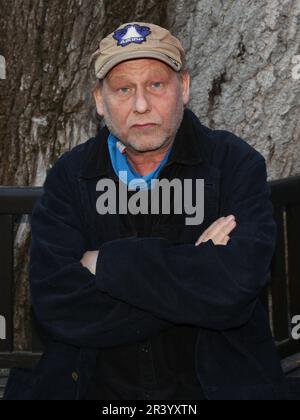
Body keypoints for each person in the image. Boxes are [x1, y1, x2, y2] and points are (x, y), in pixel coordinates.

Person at [4, 22, 288, 400]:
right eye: (124, 89)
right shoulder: (70, 177)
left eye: (156, 85)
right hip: (95, 389)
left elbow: (234, 291)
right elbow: (58, 306)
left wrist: (105, 264)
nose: (141, 105)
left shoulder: (234, 163)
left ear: (183, 88)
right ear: (100, 101)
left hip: (214, 387)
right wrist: (195, 267)